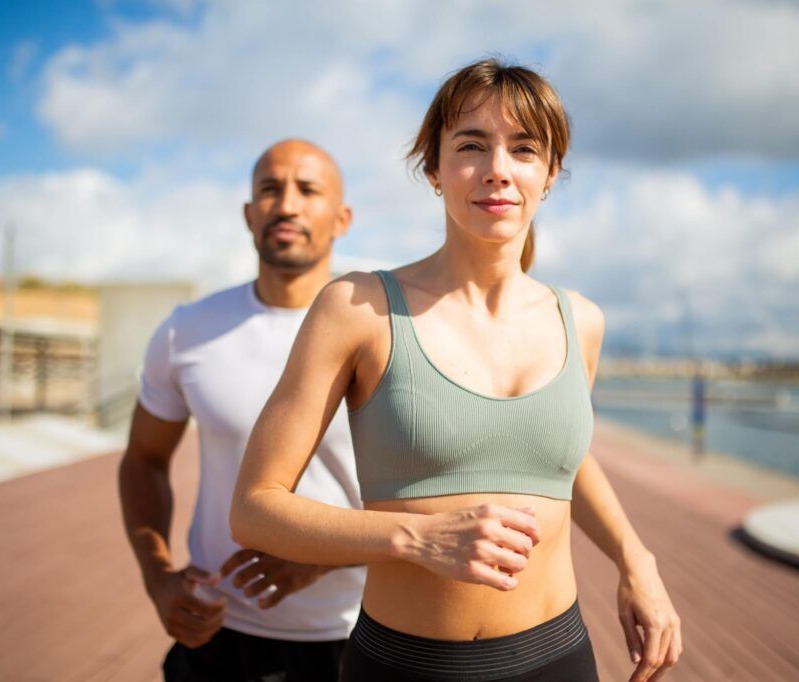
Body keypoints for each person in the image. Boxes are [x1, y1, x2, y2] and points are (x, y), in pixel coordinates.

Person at [230, 59, 682, 682]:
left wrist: (637, 559)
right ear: (434, 169)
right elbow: (255, 508)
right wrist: (415, 539)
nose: (498, 168)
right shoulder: (358, 309)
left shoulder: (581, 321)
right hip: (401, 666)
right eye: (471, 145)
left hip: (558, 658)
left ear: (549, 174)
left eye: (524, 149)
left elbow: (561, 458)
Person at [118, 139, 365, 681]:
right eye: (270, 189)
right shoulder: (189, 330)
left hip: (364, 635)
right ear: (249, 214)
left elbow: (440, 491)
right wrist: (157, 577)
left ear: (341, 217)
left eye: (308, 189)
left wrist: (327, 553)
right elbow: (143, 459)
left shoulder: (385, 330)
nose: (287, 204)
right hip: (222, 635)